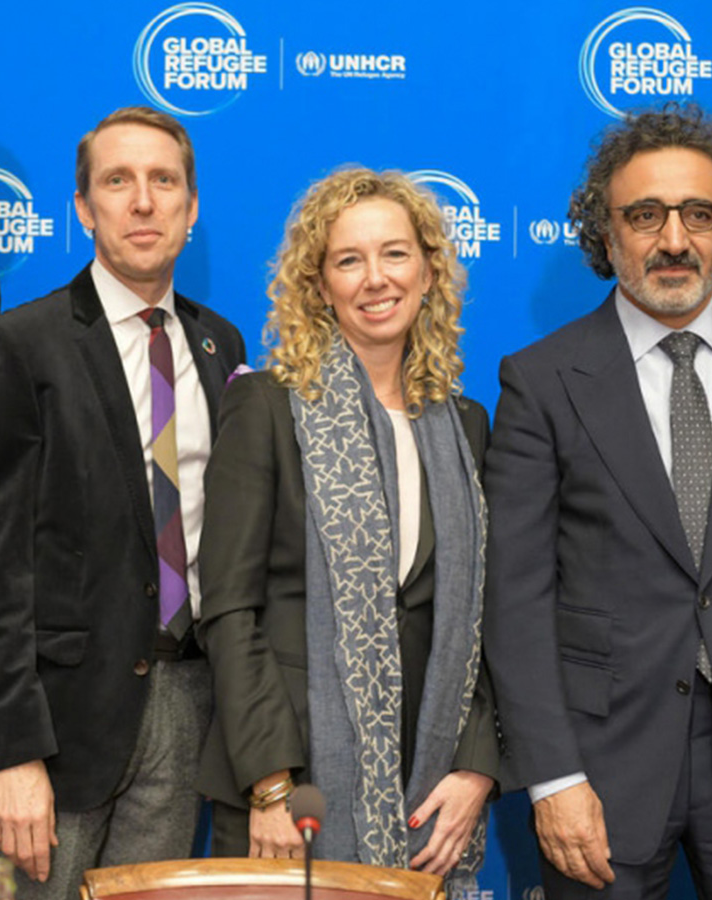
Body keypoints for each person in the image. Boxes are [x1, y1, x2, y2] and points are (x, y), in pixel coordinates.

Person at [483, 103, 712, 900]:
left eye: (700, 213)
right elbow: (515, 597)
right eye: (646, 215)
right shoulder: (541, 379)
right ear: (606, 231)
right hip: (599, 766)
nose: (676, 240)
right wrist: (551, 776)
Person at [0, 106, 245, 900]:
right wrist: (10, 753)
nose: (142, 201)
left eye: (164, 181)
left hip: (187, 706)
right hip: (58, 727)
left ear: (190, 206)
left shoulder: (221, 345)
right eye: (118, 181)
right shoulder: (22, 345)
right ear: (83, 207)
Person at [195, 167, 497, 886]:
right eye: (348, 260)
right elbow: (230, 611)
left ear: (428, 270)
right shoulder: (267, 407)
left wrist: (477, 768)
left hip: (428, 784)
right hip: (291, 784)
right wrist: (269, 783)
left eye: (394, 253)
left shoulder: (465, 426)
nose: (375, 279)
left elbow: (485, 618)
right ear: (319, 283)